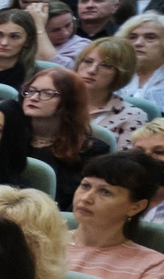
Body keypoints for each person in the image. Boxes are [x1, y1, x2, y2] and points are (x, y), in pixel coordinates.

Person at [20, 67, 110, 207]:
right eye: (30, 91)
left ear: (69, 101)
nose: (33, 98)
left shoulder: (91, 151)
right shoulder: (10, 136)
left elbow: (79, 202)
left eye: (47, 93)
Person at [72, 37, 148, 149]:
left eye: (106, 65)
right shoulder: (56, 100)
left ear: (121, 73)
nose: (91, 70)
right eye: (88, 61)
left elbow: (125, 159)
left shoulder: (132, 116)